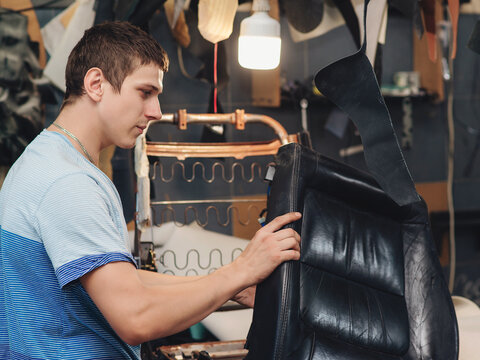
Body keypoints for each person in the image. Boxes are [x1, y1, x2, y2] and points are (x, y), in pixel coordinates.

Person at [0, 21, 301, 360]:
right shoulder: (68, 183)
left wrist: (234, 286)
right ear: (96, 83)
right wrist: (239, 271)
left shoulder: (47, 158)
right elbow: (135, 316)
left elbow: (126, 283)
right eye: (145, 92)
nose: (156, 111)